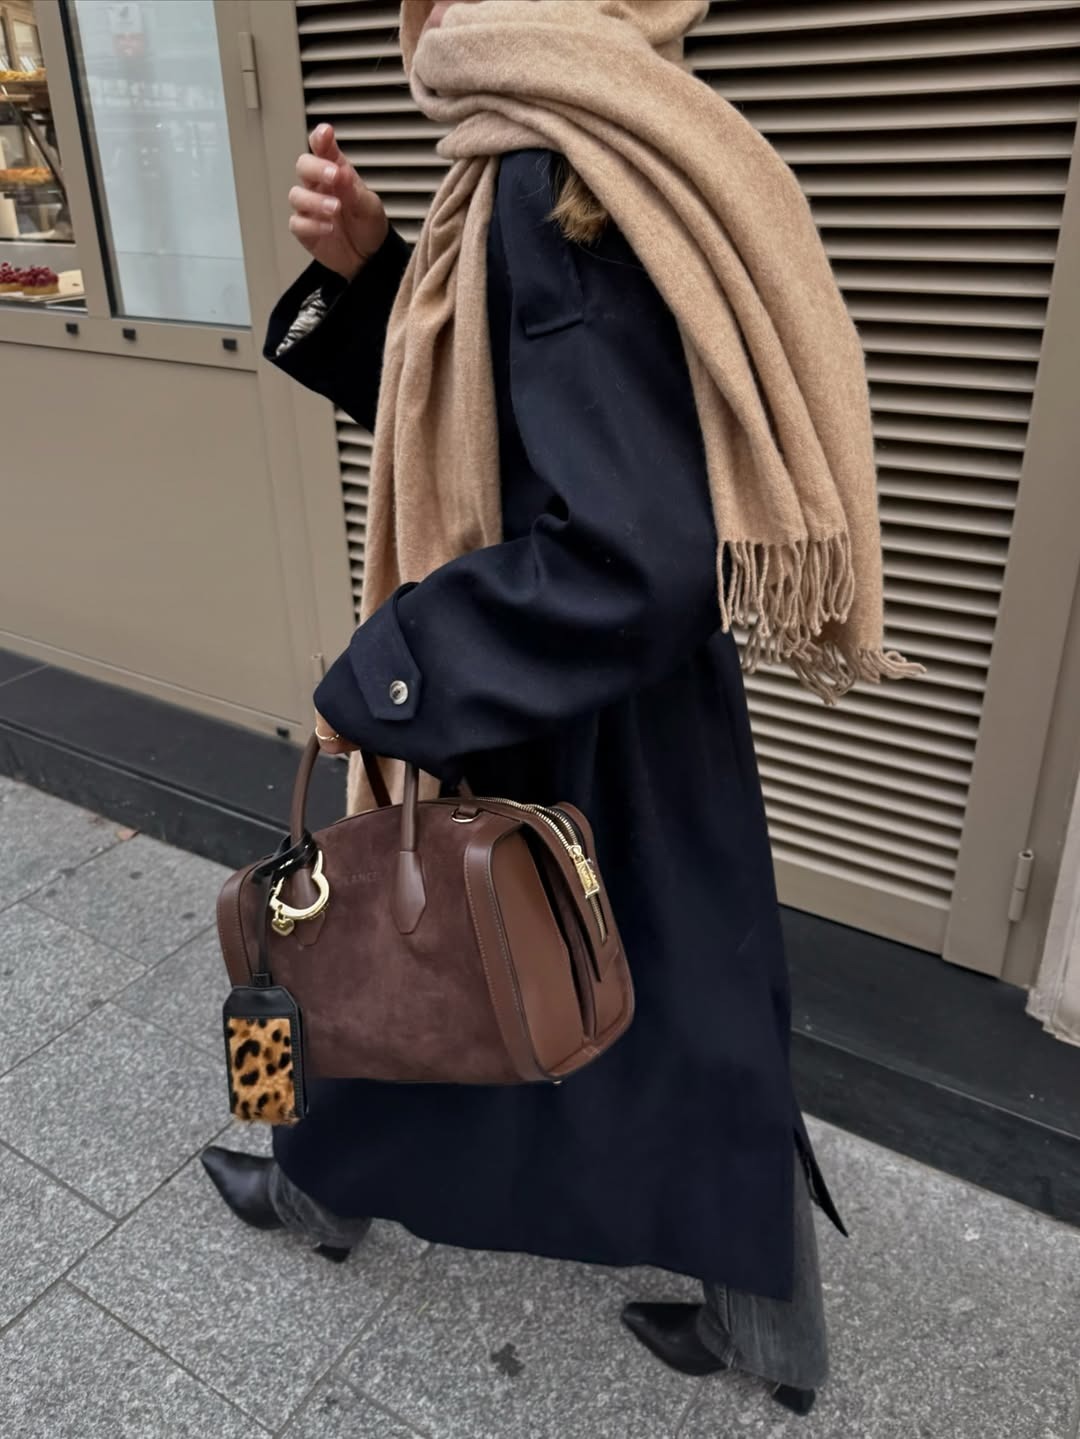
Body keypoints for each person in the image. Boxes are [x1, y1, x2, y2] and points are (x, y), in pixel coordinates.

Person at [203, 0, 923, 1418]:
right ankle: (770, 1327)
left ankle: (312, 1185)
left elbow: (628, 548)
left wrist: (398, 667)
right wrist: (377, 273)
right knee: (689, 1009)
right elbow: (525, 423)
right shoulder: (604, 124)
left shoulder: (538, 165)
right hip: (637, 717)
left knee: (404, 945)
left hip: (550, 695)